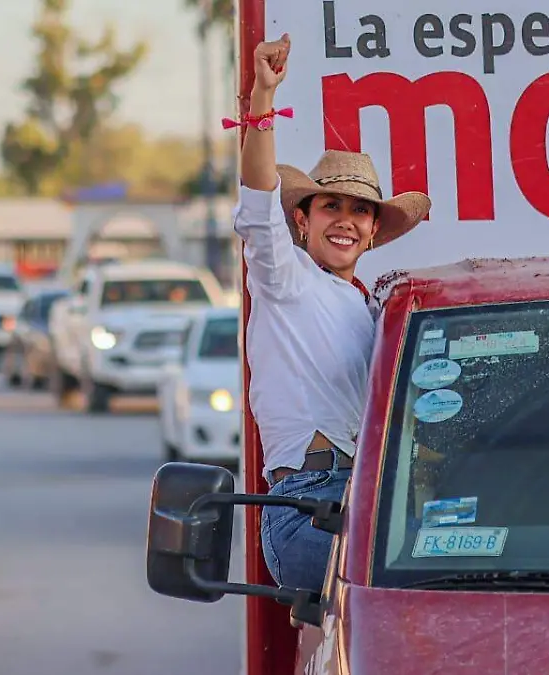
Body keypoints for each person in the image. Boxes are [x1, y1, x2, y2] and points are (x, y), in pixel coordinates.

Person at [235, 34, 432, 592]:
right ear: (302, 219)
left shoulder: (379, 311)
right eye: (331, 206)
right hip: (307, 512)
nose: (345, 220)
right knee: (410, 581)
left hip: (375, 504)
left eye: (359, 211)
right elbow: (256, 206)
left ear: (372, 231)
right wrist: (262, 104)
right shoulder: (284, 277)